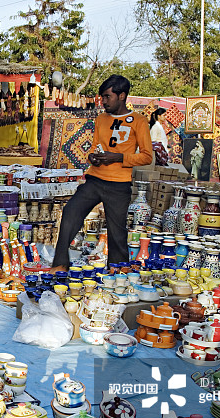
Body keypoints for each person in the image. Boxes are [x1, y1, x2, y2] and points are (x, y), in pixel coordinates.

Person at [50, 75, 153, 273]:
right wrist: (92, 157)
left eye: (107, 97)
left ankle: (118, 271)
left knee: (117, 231)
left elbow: (147, 156)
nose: (103, 101)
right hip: (95, 179)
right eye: (102, 97)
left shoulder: (139, 121)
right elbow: (94, 147)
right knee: (70, 212)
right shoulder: (101, 119)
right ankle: (60, 264)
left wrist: (117, 158)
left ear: (122, 96)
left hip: (119, 184)